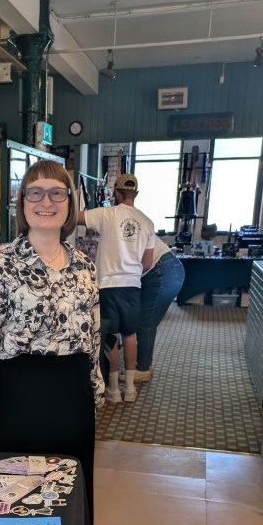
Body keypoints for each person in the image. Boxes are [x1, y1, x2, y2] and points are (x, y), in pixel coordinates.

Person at [0, 160, 104, 520]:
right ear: (22, 202)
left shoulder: (84, 266)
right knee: (13, 502)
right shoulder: (1, 265)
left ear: (69, 202)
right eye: (35, 193)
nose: (46, 202)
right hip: (15, 400)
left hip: (72, 399)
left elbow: (93, 333)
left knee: (67, 501)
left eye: (56, 193)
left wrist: (95, 387)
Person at [77, 173, 155, 403]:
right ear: (136, 194)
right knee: (130, 335)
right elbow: (147, 263)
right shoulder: (147, 222)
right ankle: (129, 389)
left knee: (111, 337)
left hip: (108, 286)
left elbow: (74, 217)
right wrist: (130, 272)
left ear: (116, 193)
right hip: (133, 286)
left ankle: (113, 390)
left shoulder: (106, 214)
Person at [135, 236, 185, 381]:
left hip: (162, 271)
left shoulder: (116, 229)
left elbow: (145, 264)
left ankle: (143, 369)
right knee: (147, 323)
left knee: (145, 323)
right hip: (166, 268)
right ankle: (145, 364)